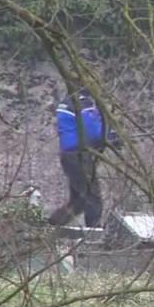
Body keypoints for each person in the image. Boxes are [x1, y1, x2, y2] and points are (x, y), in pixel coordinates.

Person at [48, 88, 110, 228]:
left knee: (79, 201)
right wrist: (111, 137)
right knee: (92, 198)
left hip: (69, 155)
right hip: (80, 155)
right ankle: (94, 235)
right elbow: (93, 131)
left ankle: (51, 225)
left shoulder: (67, 102)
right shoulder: (81, 103)